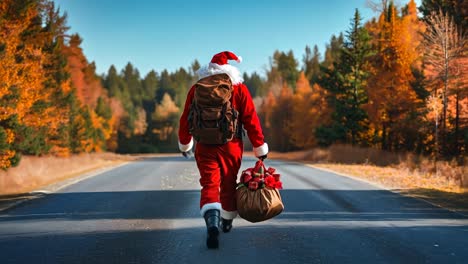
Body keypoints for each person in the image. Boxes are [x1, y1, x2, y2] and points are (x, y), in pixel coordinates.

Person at [178, 51, 268, 249]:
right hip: (231, 145)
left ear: (208, 71)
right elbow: (251, 119)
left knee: (209, 184)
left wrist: (185, 143)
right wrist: (259, 146)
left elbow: (186, 118)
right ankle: (226, 220)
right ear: (230, 70)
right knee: (228, 183)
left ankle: (212, 223)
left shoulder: (196, 89)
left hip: (204, 146)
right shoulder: (239, 89)